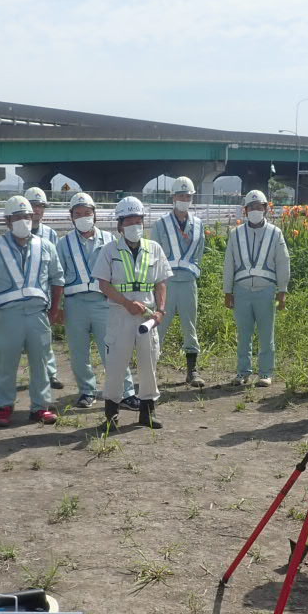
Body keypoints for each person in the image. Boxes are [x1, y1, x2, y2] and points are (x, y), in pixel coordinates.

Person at [0, 196, 64, 426]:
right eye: (18, 217)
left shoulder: (46, 246)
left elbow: (57, 280)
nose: (24, 221)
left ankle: (40, 407)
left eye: (27, 216)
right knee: (6, 364)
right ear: (7, 221)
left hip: (38, 314)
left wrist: (55, 309)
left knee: (41, 362)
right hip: (8, 315)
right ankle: (4, 406)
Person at [92, 196, 171, 430]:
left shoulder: (154, 248)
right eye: (129, 222)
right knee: (116, 364)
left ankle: (147, 413)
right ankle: (111, 416)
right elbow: (103, 284)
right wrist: (126, 303)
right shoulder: (109, 250)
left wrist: (161, 311)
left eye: (138, 221)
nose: (135, 226)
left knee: (149, 363)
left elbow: (161, 282)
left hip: (147, 316)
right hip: (120, 315)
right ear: (120, 226)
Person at [55, 192, 139, 410]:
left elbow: (119, 272)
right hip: (75, 304)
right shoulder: (63, 244)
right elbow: (57, 277)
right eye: (78, 214)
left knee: (113, 348)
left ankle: (126, 392)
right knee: (78, 351)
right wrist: (59, 306)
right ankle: (86, 391)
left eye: (87, 213)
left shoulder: (110, 240)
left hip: (104, 302)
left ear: (95, 215)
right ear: (71, 216)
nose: (83, 217)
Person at [223, 189, 290, 387]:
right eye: (251, 207)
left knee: (266, 333)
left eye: (258, 207)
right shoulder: (236, 234)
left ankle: (265, 373)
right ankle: (243, 372)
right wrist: (228, 291)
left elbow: (283, 262)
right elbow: (229, 264)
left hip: (266, 291)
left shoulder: (275, 233)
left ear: (266, 209)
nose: (255, 210)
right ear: (245, 210)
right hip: (242, 290)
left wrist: (282, 290)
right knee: (244, 334)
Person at [155, 175, 207, 388]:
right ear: (173, 198)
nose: (184, 199)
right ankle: (150, 369)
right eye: (180, 195)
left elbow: (200, 253)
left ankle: (192, 370)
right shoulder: (161, 224)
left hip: (187, 282)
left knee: (190, 327)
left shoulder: (198, 224)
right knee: (158, 327)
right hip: (165, 283)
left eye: (188, 196)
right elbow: (154, 255)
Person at [25, 186, 64, 391]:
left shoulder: (50, 234)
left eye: (41, 206)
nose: (37, 210)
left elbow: (56, 268)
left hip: (44, 292)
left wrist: (57, 301)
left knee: (44, 336)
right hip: (22, 295)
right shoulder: (14, 232)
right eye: (33, 205)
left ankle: (51, 374)